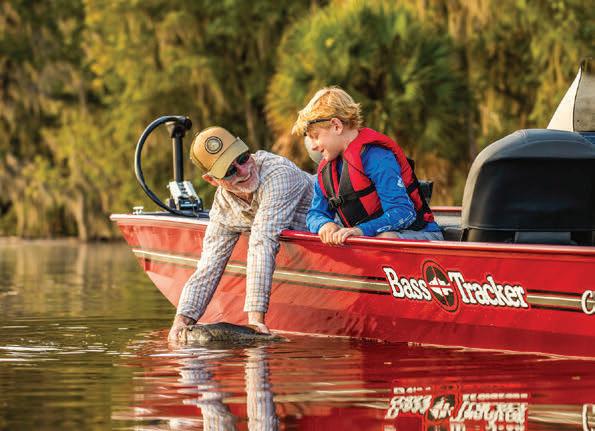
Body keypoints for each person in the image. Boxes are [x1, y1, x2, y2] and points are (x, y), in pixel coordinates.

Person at [168, 126, 313, 340]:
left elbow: (262, 241)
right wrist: (180, 322)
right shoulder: (223, 205)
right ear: (211, 180)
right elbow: (209, 266)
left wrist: (255, 323)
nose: (243, 171)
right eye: (229, 170)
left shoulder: (279, 173)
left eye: (243, 158)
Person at [292, 87, 443, 245]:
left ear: (336, 126)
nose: (313, 146)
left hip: (421, 234)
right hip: (368, 239)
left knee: (385, 238)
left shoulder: (378, 158)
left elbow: (403, 213)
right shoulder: (326, 170)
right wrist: (323, 224)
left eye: (315, 137)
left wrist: (360, 230)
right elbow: (315, 213)